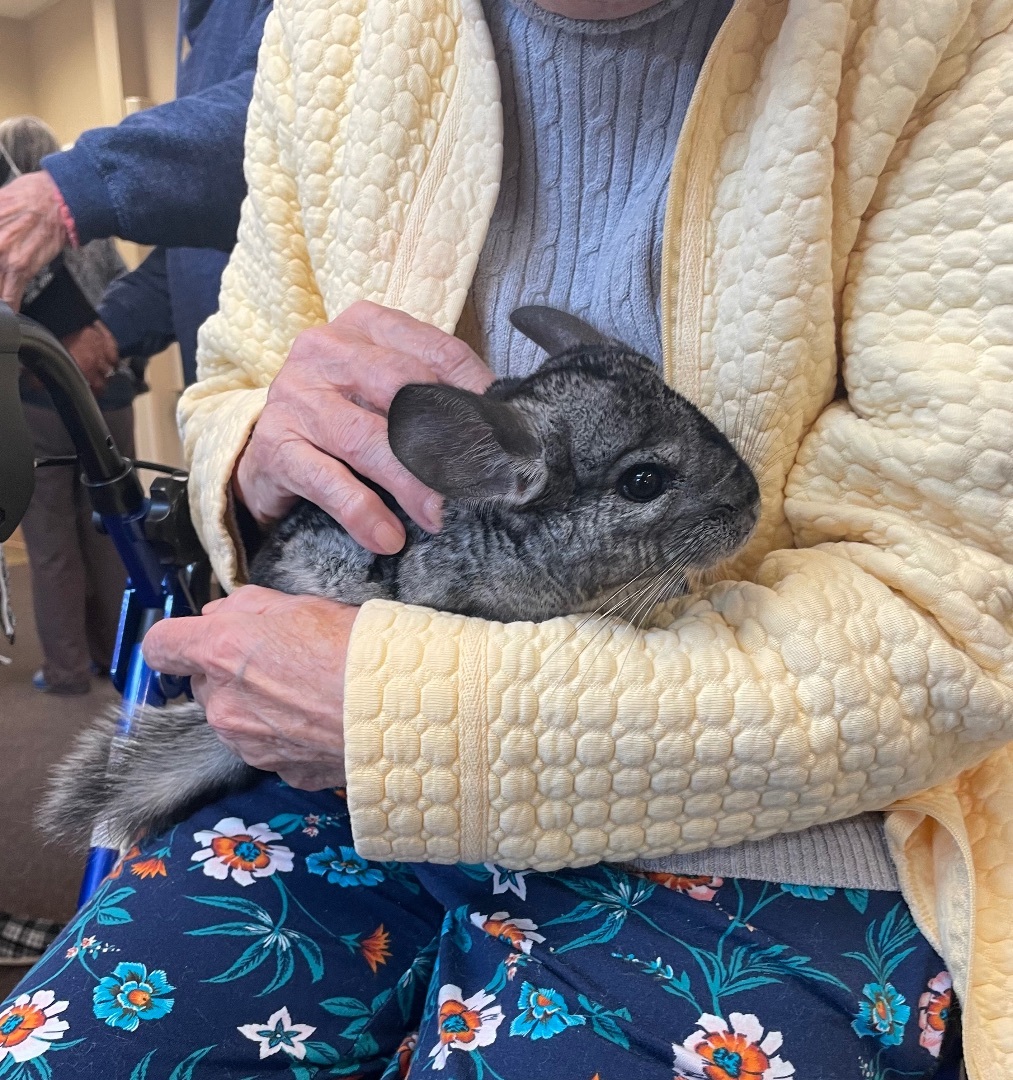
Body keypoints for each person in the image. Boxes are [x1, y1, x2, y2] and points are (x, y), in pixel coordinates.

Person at [6, 0, 1013, 1076]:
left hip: (776, 816)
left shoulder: (946, 37)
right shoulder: (334, 24)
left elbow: (951, 623)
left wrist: (402, 716)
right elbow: (238, 371)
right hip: (334, 774)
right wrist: (257, 447)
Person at [0, 0, 273, 385]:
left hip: (308, 387)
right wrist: (109, 331)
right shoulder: (199, 19)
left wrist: (71, 188)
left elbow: (282, 114)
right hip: (227, 396)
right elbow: (211, 250)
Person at [0, 115, 139, 695]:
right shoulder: (89, 227)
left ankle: (66, 671)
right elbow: (127, 292)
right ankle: (117, 655)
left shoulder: (9, 232)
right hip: (113, 395)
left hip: (42, 401)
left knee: (51, 541)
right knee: (112, 531)